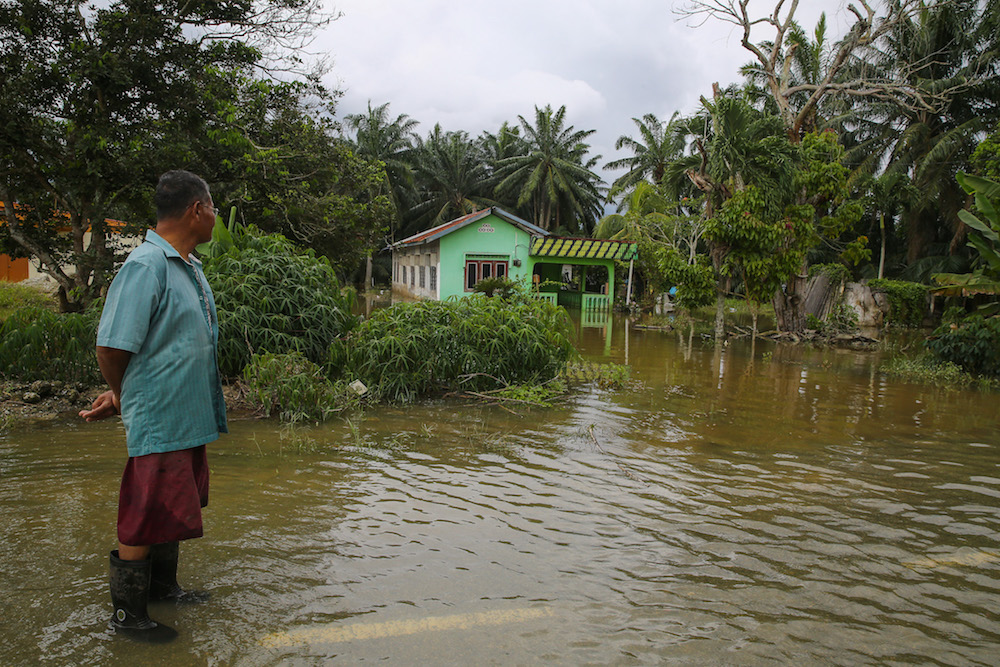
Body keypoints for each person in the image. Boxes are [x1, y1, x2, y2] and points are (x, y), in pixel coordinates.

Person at [80, 170, 228, 643]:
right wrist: (125, 394)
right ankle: (127, 619)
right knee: (145, 509)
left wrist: (124, 390)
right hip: (161, 414)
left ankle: (165, 589)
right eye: (213, 208)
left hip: (185, 413)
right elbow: (111, 346)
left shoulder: (188, 265)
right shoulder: (148, 265)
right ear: (196, 210)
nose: (216, 217)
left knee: (170, 503)